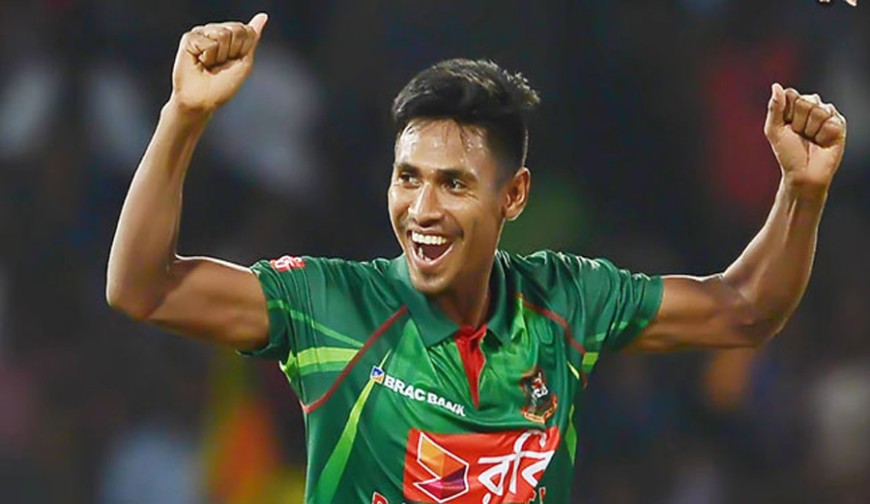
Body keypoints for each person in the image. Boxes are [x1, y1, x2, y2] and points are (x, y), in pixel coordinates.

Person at [106, 13, 848, 504]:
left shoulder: (565, 300)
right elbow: (143, 289)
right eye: (408, 178)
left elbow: (745, 310)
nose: (422, 209)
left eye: (454, 184)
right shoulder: (330, 306)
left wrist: (803, 193)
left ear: (513, 196)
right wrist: (184, 115)